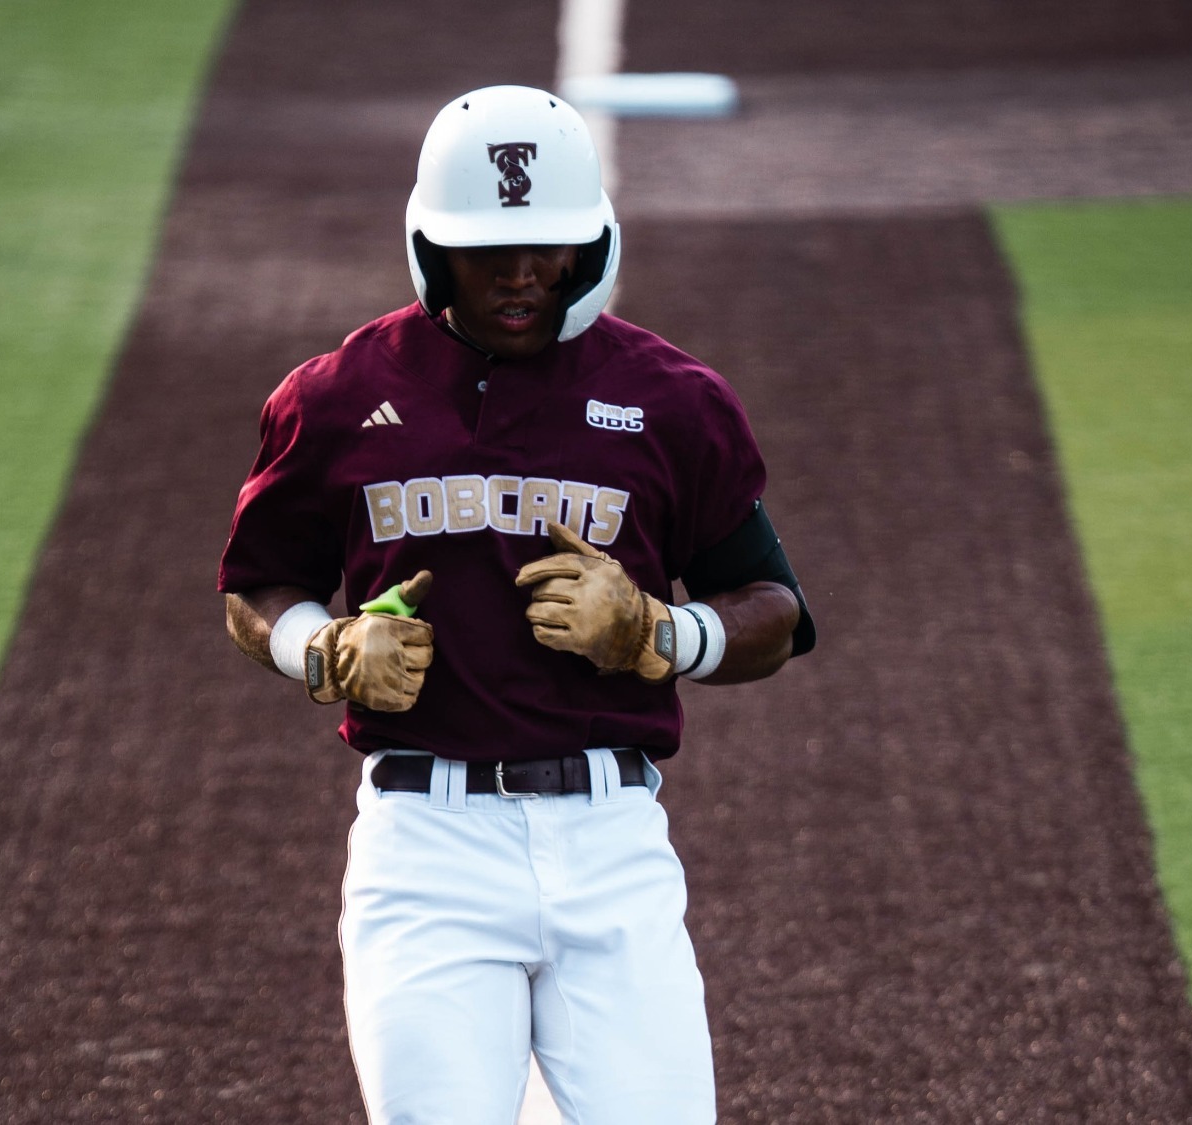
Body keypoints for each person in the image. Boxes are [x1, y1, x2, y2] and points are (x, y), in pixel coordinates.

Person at [217, 84, 814, 1125]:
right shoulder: (334, 399)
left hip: (611, 842)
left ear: (591, 243)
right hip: (426, 849)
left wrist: (655, 633)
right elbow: (255, 587)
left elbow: (773, 611)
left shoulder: (674, 400)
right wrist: (324, 650)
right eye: (487, 251)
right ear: (428, 246)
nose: (520, 275)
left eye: (546, 248)